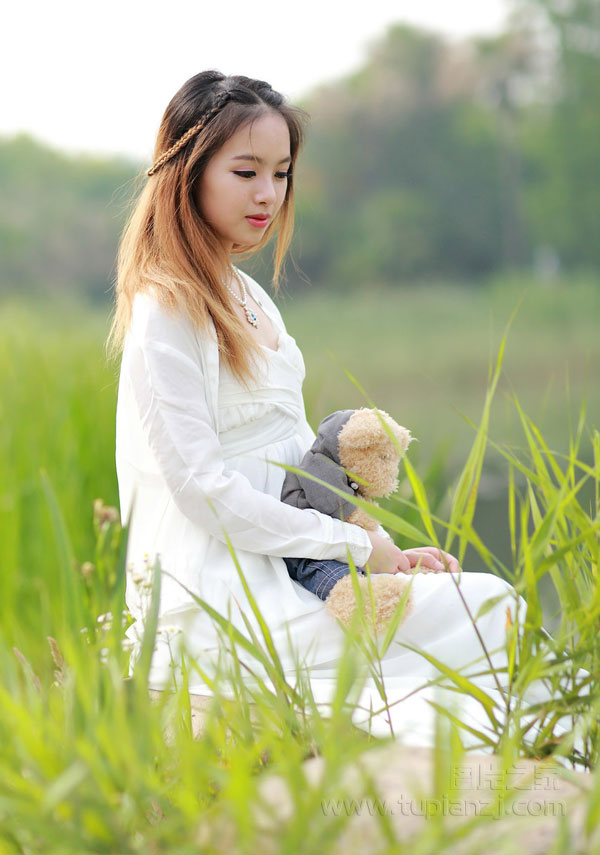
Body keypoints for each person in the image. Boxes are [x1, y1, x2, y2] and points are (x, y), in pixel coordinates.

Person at [109, 71, 565, 750]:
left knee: (489, 606)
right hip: (219, 597)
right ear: (189, 172)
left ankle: (549, 769)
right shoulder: (166, 309)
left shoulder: (249, 296)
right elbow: (206, 492)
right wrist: (352, 547)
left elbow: (296, 460)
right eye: (245, 171)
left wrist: (376, 548)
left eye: (282, 173)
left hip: (300, 567)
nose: (268, 193)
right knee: (491, 608)